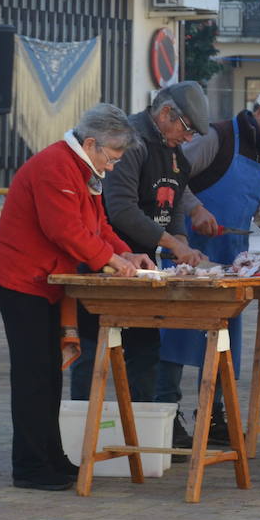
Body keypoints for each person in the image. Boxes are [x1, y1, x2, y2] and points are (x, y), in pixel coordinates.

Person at [0, 105, 156, 491]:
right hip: (18, 280)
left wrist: (125, 254)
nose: (111, 167)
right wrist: (110, 260)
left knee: (47, 376)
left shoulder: (83, 168)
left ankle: (52, 458)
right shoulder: (56, 165)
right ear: (91, 144)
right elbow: (65, 230)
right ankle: (29, 467)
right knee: (33, 376)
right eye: (111, 158)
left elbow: (98, 225)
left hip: (45, 282)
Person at [156, 87, 260, 450]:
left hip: (229, 261)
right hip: (187, 253)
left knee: (223, 342)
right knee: (176, 334)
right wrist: (195, 210)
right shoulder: (217, 137)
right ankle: (165, 412)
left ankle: (213, 416)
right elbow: (173, 176)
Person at [70, 81, 210, 403]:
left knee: (145, 352)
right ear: (165, 114)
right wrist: (172, 246)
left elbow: (171, 208)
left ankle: (140, 431)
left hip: (142, 267)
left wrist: (181, 243)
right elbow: (120, 209)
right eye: (187, 129)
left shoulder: (177, 156)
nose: (188, 139)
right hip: (104, 261)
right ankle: (83, 433)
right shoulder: (130, 141)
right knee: (92, 352)